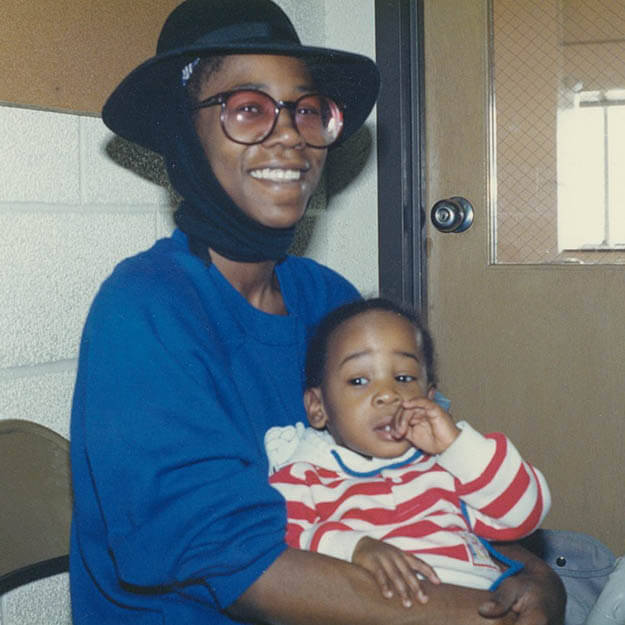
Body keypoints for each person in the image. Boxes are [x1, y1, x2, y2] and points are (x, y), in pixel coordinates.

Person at [69, 1, 566, 624]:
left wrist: (535, 575)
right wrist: (479, 615)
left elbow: (425, 472)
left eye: (307, 110)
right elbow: (229, 558)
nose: (290, 135)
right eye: (248, 108)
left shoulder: (329, 299)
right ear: (181, 136)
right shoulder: (145, 310)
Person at [265, 298, 552, 608]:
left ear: (429, 396)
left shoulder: (450, 467)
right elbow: (275, 552)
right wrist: (354, 548)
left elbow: (526, 513)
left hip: (472, 603)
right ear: (318, 408)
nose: (388, 394)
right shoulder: (304, 476)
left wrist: (456, 445)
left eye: (403, 378)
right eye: (359, 380)